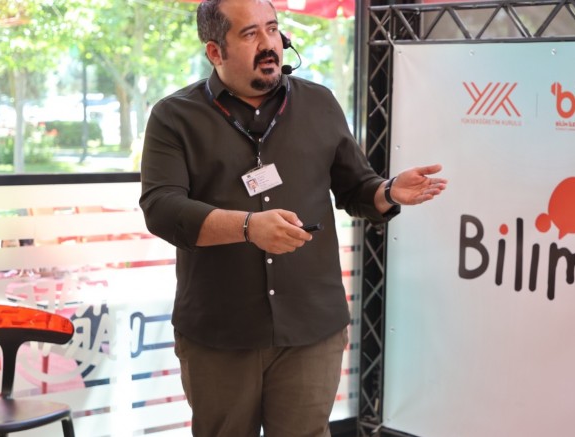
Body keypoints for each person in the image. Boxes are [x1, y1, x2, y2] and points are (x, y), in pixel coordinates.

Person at [138, 0, 447, 436]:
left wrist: (388, 191)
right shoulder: (174, 116)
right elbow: (162, 208)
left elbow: (356, 188)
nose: (269, 44)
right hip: (220, 330)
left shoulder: (319, 103)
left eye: (272, 28)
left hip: (311, 327)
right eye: (250, 34)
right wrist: (248, 228)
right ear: (215, 51)